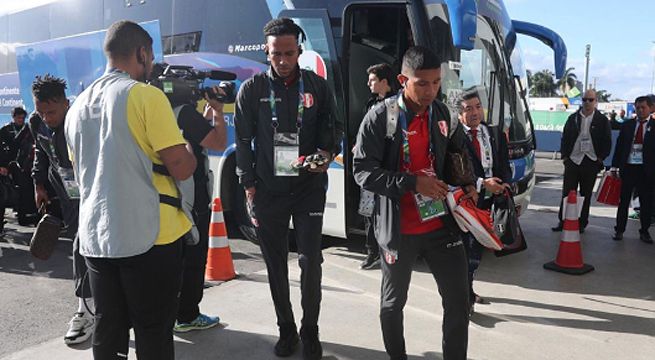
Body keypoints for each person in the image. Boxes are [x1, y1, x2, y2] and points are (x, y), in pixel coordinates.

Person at [64, 20, 197, 359]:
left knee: (109, 331)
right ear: (141, 52)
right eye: (149, 57)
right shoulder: (144, 96)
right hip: (151, 236)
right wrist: (189, 149)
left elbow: (83, 171)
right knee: (153, 331)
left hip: (97, 239)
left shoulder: (76, 107)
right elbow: (181, 167)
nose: (150, 65)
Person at [353, 46, 477, 360]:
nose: (430, 90)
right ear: (401, 80)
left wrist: (470, 183)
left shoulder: (442, 113)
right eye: (422, 83)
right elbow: (362, 172)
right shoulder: (381, 116)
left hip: (441, 226)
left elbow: (456, 153)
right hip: (400, 230)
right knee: (393, 305)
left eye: (436, 82)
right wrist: (412, 183)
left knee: (459, 302)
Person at [234, 18, 341, 360]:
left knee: (311, 261)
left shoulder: (318, 87)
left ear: (300, 50)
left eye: (289, 53)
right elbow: (244, 142)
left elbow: (333, 128)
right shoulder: (251, 91)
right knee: (276, 265)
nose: (282, 60)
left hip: (309, 187)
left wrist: (327, 154)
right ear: (266, 51)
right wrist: (249, 187)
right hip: (268, 192)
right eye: (275, 54)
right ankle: (287, 330)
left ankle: (311, 331)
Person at [28, 75, 94, 345]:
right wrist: (39, 183)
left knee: (87, 249)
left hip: (93, 194)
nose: (46, 117)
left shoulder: (81, 123)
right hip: (67, 196)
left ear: (66, 103)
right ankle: (86, 309)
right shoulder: (36, 122)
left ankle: (90, 309)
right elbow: (41, 153)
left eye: (51, 112)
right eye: (41, 111)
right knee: (81, 247)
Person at [172, 89, 228, 333]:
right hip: (191, 196)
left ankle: (172, 313)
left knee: (174, 260)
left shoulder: (161, 111)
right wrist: (218, 111)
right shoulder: (184, 114)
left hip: (169, 196)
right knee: (194, 258)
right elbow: (218, 142)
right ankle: (187, 315)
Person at [456, 89, 511, 315]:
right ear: (460, 114)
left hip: (490, 200)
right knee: (467, 250)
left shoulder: (493, 133)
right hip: (468, 201)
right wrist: (479, 184)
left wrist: (504, 185)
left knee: (478, 250)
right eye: (468, 109)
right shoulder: (455, 136)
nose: (475, 112)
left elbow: (503, 163)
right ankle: (463, 298)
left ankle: (467, 289)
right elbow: (454, 170)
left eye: (477, 107)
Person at [552, 89, 611, 234]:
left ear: (596, 101)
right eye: (585, 100)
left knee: (586, 195)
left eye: (590, 100)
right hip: (573, 160)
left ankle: (582, 222)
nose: (587, 103)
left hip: (590, 162)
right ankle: (563, 220)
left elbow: (607, 141)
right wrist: (565, 157)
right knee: (567, 193)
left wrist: (600, 158)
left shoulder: (602, 120)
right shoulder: (573, 118)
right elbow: (565, 138)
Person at [359, 63, 395, 270]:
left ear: (384, 82)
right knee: (368, 213)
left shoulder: (396, 105)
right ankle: (371, 252)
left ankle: (387, 251)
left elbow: (391, 138)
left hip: (386, 168)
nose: (368, 84)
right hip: (369, 167)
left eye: (372, 80)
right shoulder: (370, 104)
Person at [610, 96, 655, 244]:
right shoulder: (628, 125)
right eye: (638, 107)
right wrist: (614, 166)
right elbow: (619, 147)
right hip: (628, 168)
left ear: (650, 108)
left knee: (646, 202)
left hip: (646, 170)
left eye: (643, 107)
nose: (640, 110)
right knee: (624, 201)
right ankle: (619, 230)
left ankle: (644, 231)